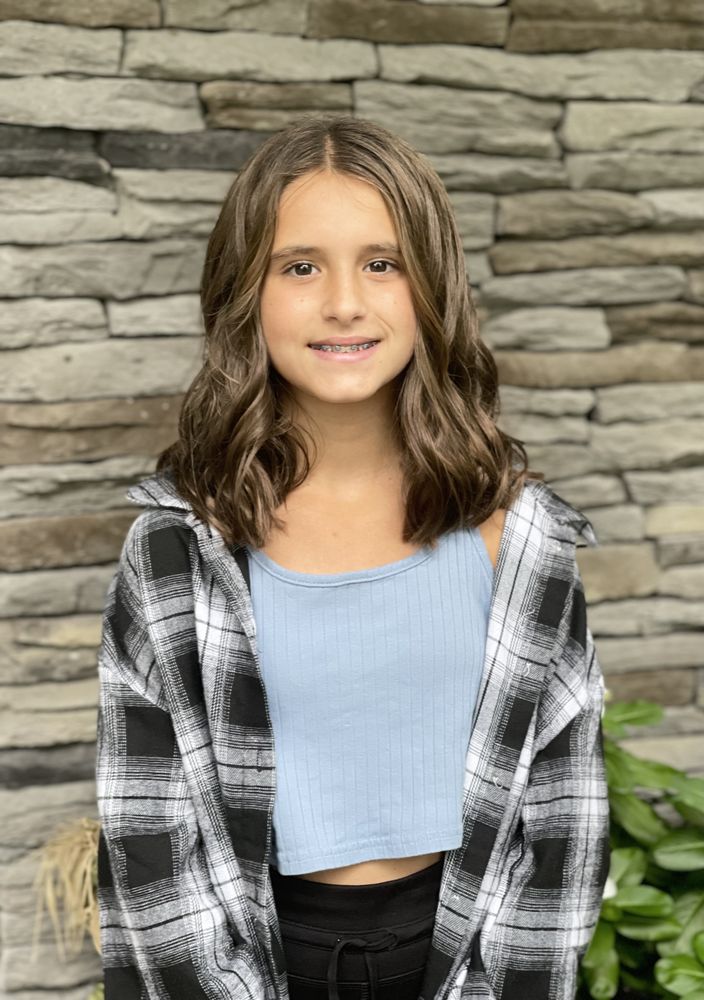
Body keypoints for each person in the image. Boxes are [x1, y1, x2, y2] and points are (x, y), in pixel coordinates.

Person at [95, 114, 610, 1000]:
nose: (344, 302)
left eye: (383, 263)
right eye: (300, 267)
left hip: (466, 964)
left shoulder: (521, 540)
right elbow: (149, 842)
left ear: (432, 285)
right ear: (246, 292)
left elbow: (563, 829)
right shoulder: (180, 547)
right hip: (252, 964)